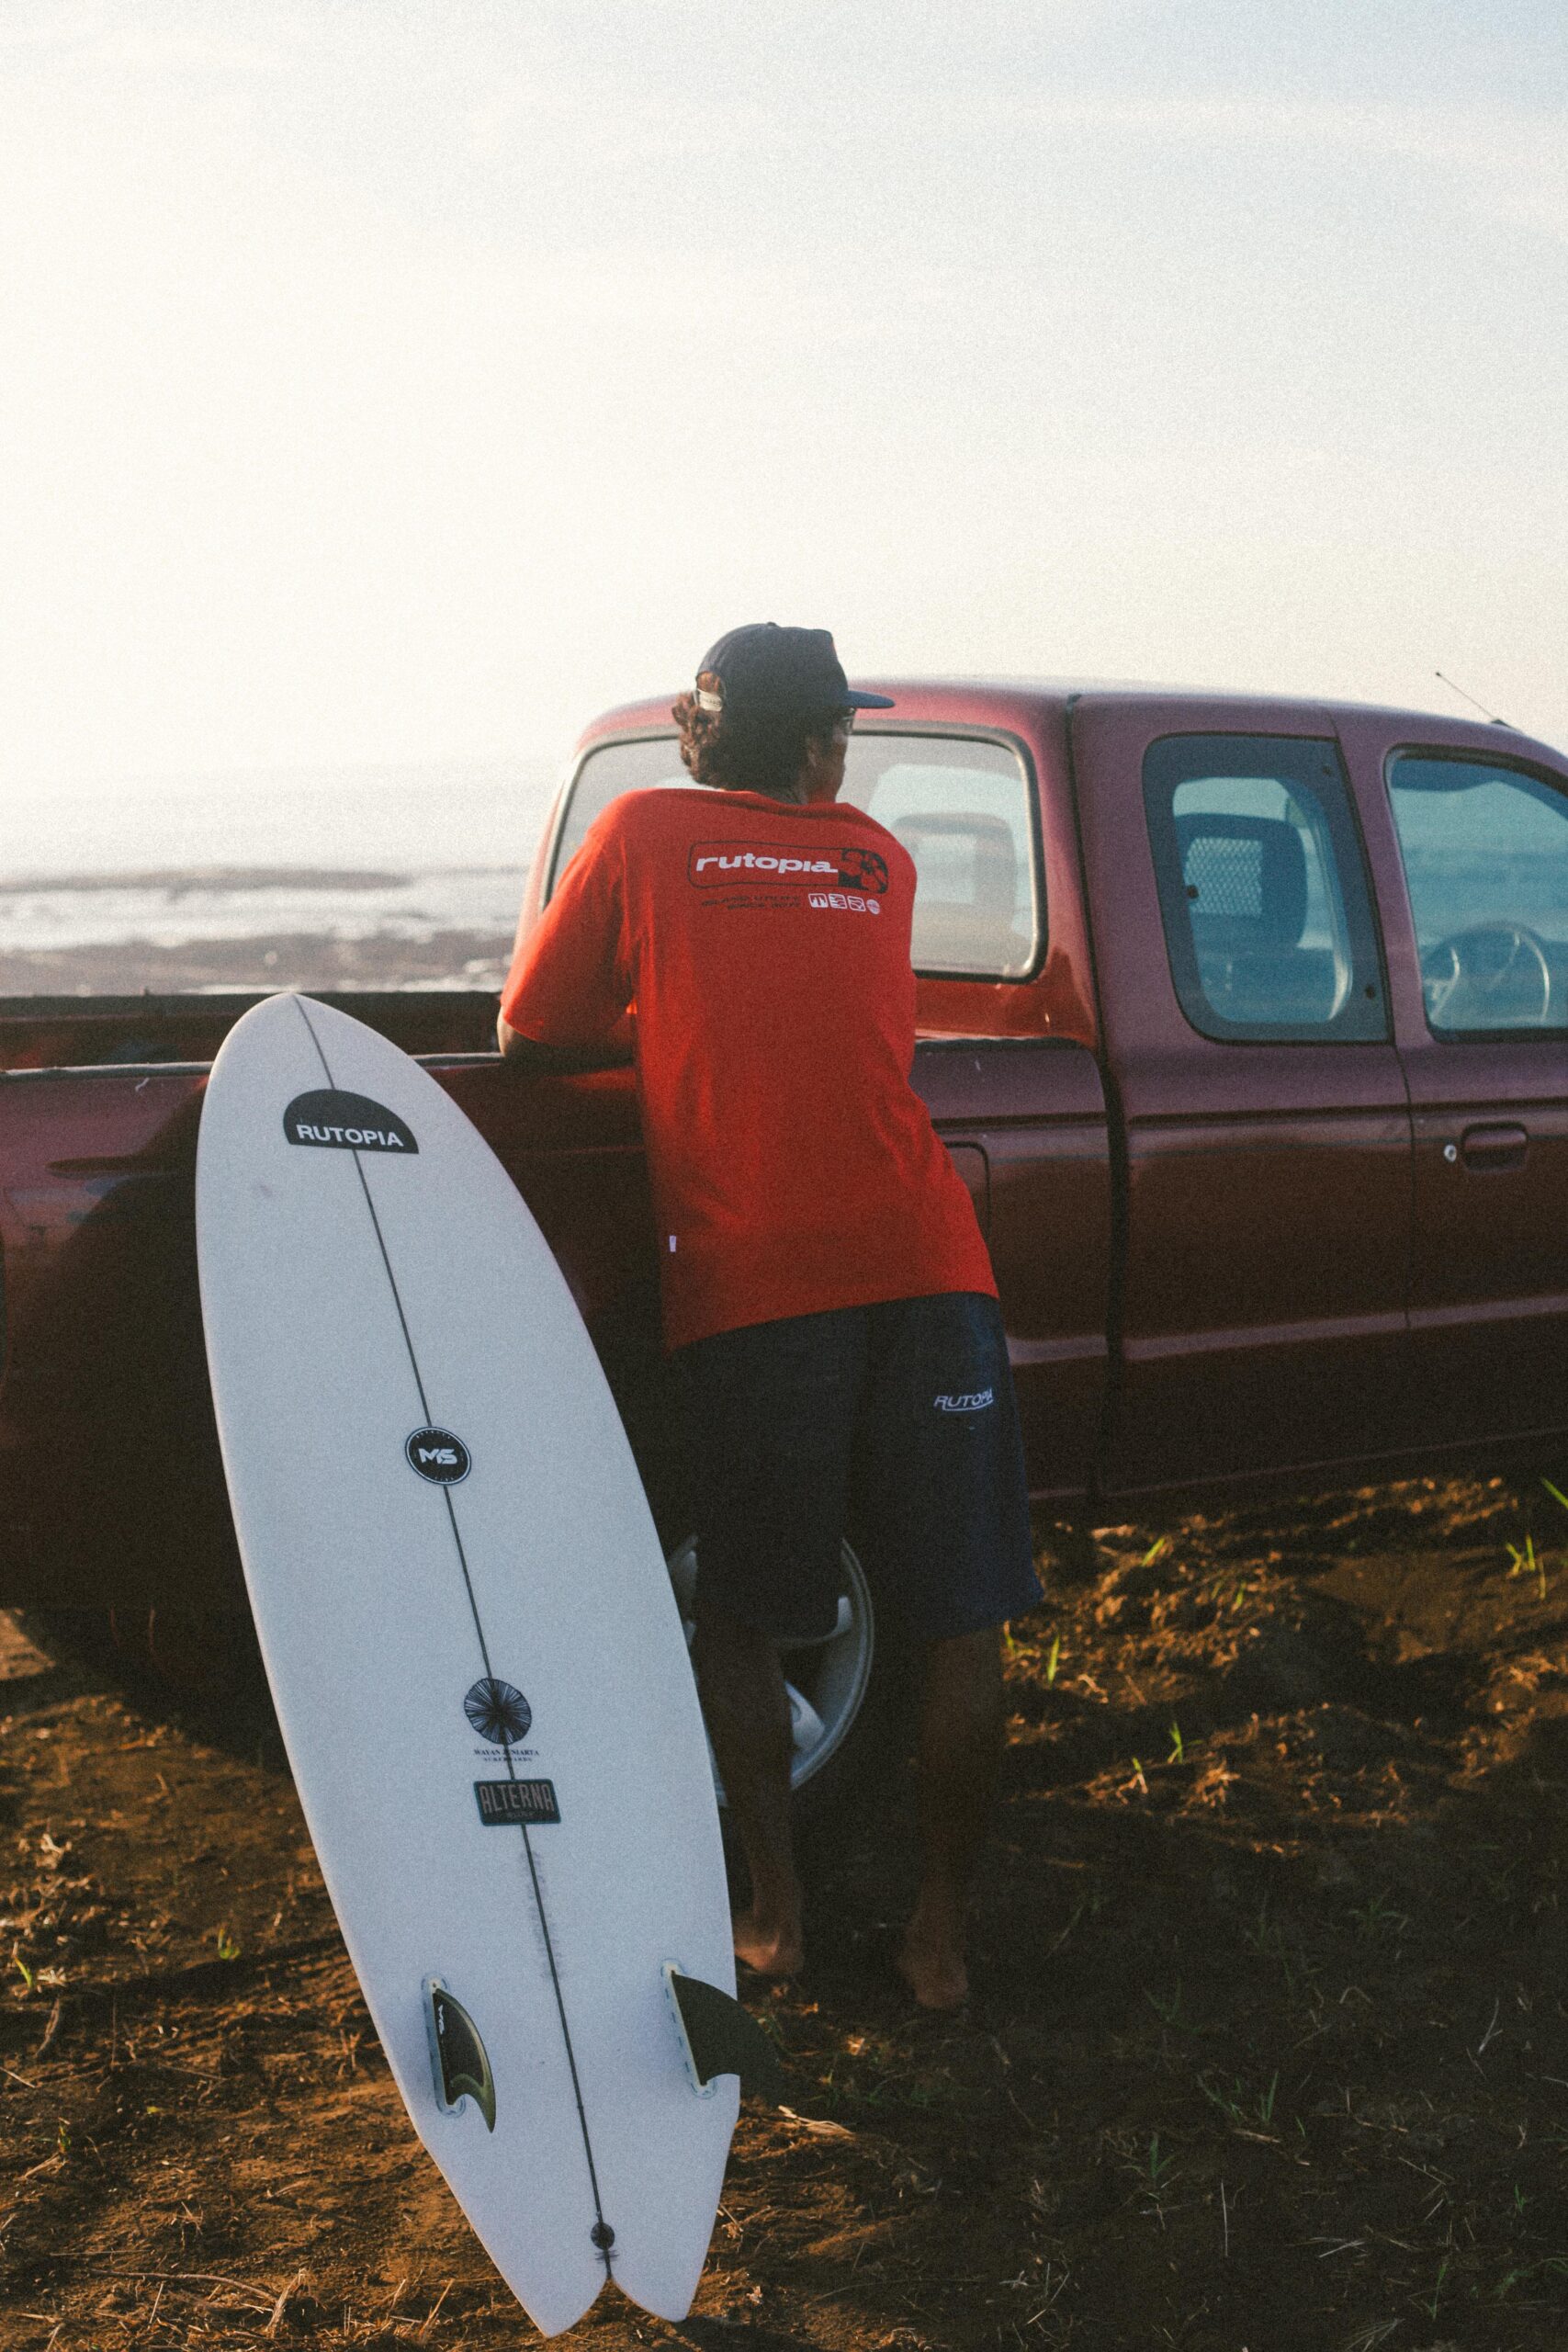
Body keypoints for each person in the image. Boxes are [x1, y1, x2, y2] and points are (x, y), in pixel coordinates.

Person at [497, 623, 1039, 2008]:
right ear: (815, 746)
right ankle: (939, 1942)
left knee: (747, 1615)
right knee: (960, 1621)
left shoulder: (640, 833)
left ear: (699, 733)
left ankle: (776, 1918)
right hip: (932, 1264)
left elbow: (529, 1034)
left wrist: (669, 1021)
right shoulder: (878, 861)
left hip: (756, 1282)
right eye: (842, 730)